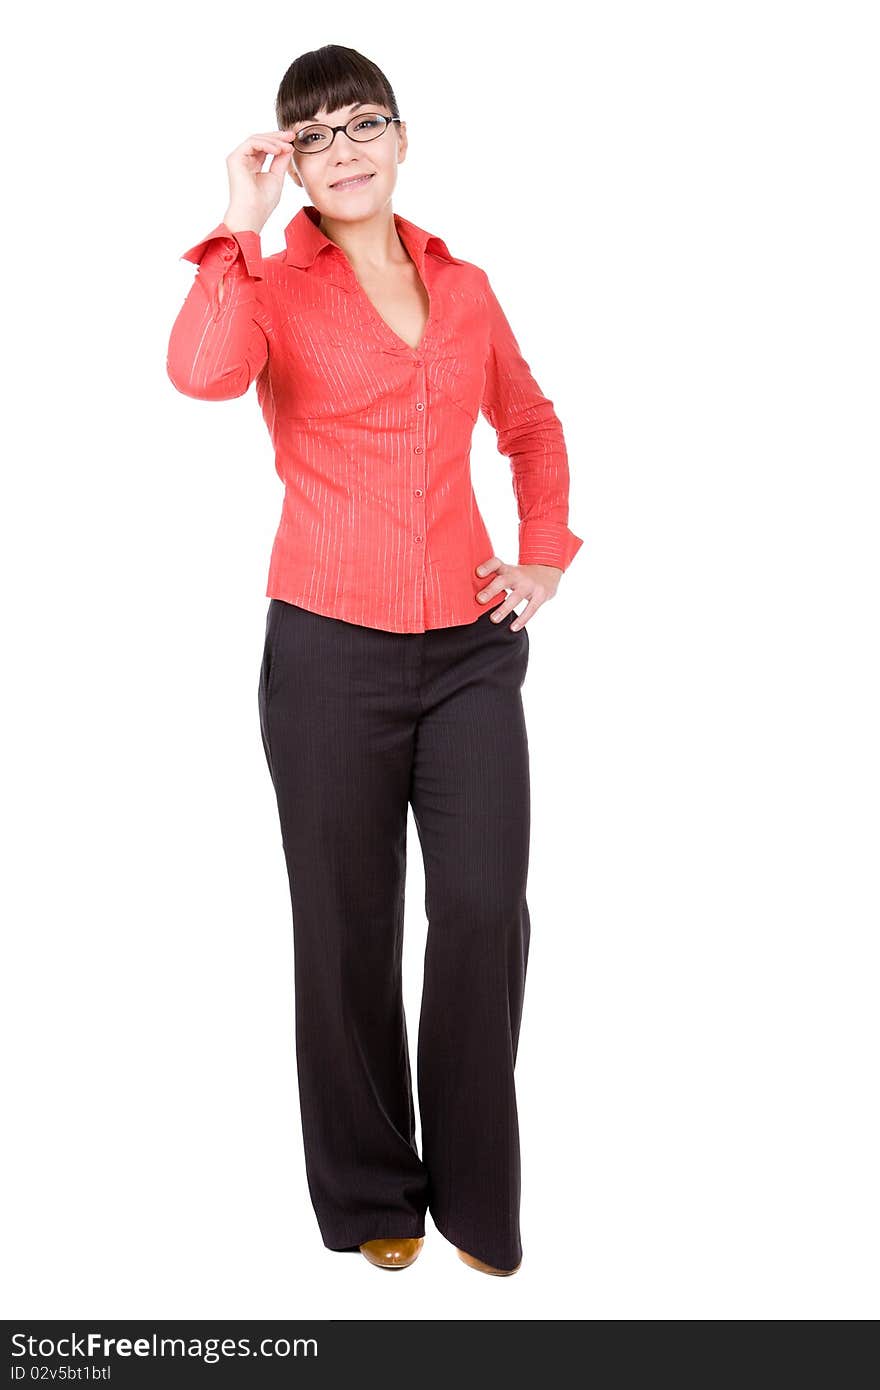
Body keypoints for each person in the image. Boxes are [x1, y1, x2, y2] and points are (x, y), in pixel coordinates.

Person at [166, 43, 583, 1276]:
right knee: (344, 928)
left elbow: (531, 422)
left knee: (477, 915)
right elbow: (199, 375)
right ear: (290, 160)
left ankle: (474, 1191)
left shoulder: (462, 285)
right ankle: (371, 1195)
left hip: (468, 652)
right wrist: (236, 227)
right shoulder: (274, 286)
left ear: (403, 139)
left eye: (364, 124)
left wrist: (544, 553)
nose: (344, 150)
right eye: (315, 134)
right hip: (328, 651)